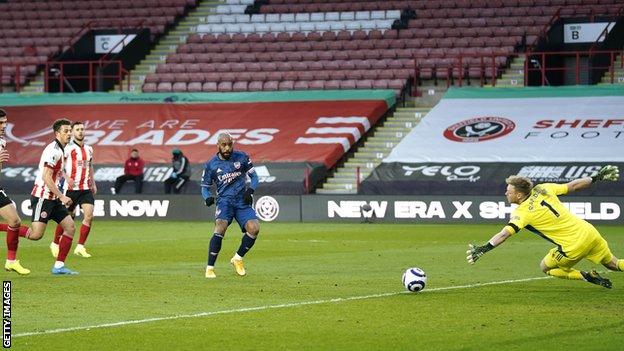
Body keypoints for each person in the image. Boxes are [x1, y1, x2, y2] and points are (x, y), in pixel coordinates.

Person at [467, 166, 622, 289]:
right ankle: (592, 275)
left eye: (509, 192)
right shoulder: (544, 188)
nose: (506, 194)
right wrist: (596, 177)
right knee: (613, 264)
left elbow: (504, 234)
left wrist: (484, 248)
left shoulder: (522, 213)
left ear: (519, 195)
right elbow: (573, 186)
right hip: (589, 232)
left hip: (573, 246)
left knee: (545, 268)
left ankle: (587, 276)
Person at [201, 133, 259, 279]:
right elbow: (205, 187)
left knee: (254, 228)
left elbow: (255, 177)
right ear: (218, 145)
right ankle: (210, 268)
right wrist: (207, 197)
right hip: (224, 201)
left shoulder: (242, 157)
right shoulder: (211, 164)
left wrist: (250, 190)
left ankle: (238, 258)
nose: (227, 148)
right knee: (220, 228)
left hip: (241, 201)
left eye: (229, 144)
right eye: (224, 145)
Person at [50, 121, 96, 259]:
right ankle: (55, 243)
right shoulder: (68, 148)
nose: (80, 131)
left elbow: (90, 165)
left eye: (82, 129)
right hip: (71, 189)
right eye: (77, 129)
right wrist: (66, 177)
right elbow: (59, 166)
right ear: (73, 132)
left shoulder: (89, 149)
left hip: (85, 188)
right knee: (67, 217)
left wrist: (93, 182)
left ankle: (80, 247)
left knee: (89, 215)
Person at [0, 108, 31, 275]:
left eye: (5, 122)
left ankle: (11, 261)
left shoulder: (1, 141)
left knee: (15, 221)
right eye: (1, 123)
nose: (4, 126)